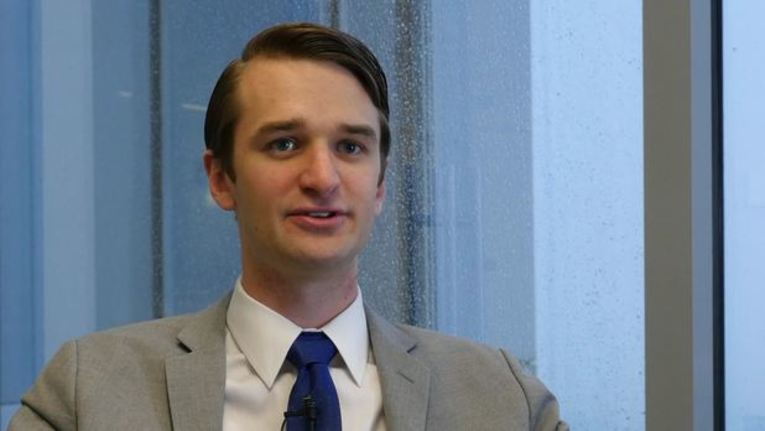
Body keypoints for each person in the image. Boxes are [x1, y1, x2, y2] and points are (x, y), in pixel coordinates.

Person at [9, 23, 567, 430]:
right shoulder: (87, 392)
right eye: (284, 144)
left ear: (379, 186)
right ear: (221, 179)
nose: (322, 177)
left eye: (351, 146)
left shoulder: (502, 398)